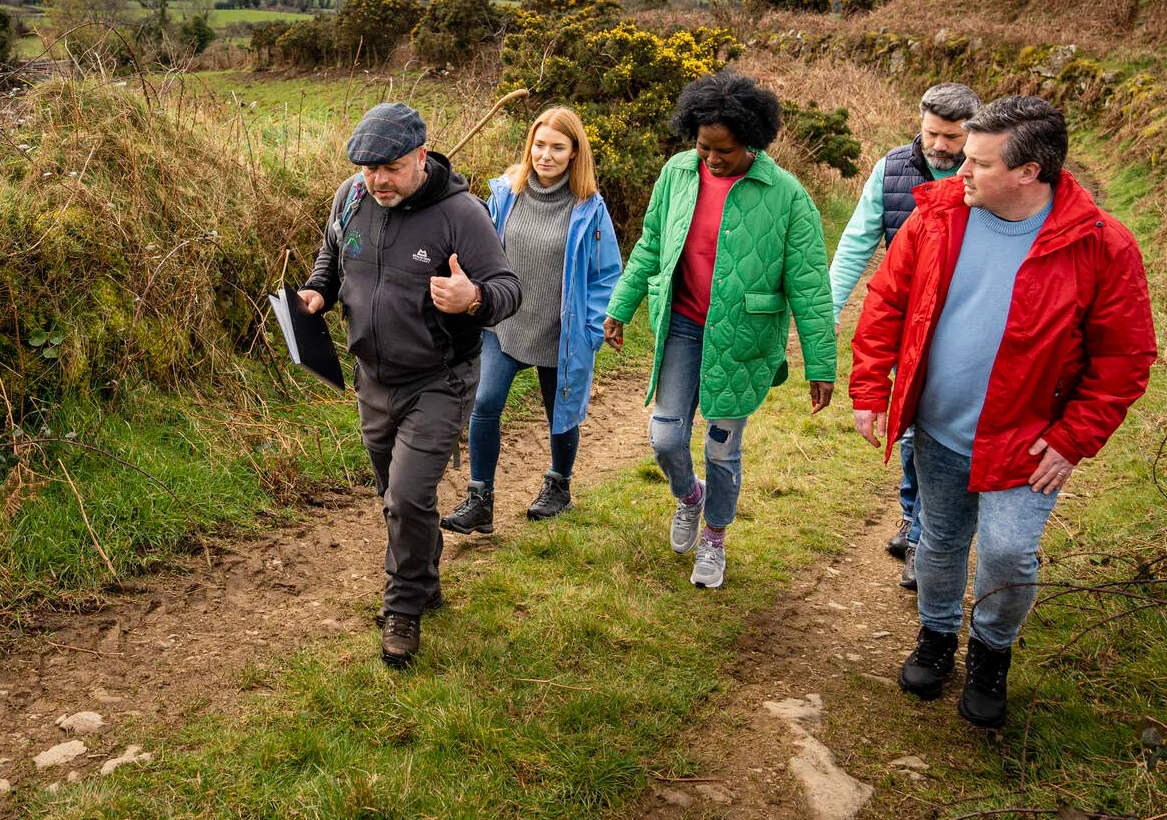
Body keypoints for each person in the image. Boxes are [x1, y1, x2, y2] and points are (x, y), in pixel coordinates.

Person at [850, 95, 1156, 728]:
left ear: (1028, 172)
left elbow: (1124, 358)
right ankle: (936, 636)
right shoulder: (937, 216)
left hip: (1029, 443)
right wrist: (871, 386)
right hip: (939, 429)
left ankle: (991, 653)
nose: (958, 170)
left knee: (1008, 554)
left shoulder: (1101, 244)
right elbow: (886, 302)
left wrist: (1073, 439)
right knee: (939, 540)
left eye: (979, 163)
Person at [298, 102, 522, 668]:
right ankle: (425, 579)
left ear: (421, 157)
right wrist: (318, 291)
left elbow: (508, 289)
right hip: (372, 379)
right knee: (396, 497)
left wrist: (473, 298)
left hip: (440, 380)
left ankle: (403, 609)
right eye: (368, 168)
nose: (378, 181)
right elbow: (332, 255)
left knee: (406, 496)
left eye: (391, 168)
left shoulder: (461, 214)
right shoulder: (351, 197)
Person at [603, 71, 836, 590]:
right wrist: (621, 306)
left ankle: (714, 538)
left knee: (721, 449)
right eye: (703, 146)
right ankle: (691, 497)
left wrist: (821, 364)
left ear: (751, 141)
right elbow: (650, 244)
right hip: (682, 327)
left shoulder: (787, 196)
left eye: (723, 151)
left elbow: (809, 285)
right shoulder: (677, 174)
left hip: (742, 340)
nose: (711, 159)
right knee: (665, 438)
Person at [828, 82, 981, 590]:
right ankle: (916, 520)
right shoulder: (892, 168)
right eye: (932, 133)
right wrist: (827, 311)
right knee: (912, 428)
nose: (940, 145)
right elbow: (856, 241)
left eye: (953, 137)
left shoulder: (985, 173)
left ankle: (921, 531)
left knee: (936, 432)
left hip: (962, 325)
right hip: (908, 322)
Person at [440, 107, 622, 533]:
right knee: (485, 403)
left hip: (560, 330)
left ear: (574, 152)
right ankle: (480, 500)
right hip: (504, 322)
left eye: (557, 147)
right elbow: (478, 247)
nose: (546, 155)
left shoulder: (589, 207)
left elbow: (605, 274)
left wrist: (591, 330)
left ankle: (559, 487)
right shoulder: (506, 193)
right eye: (539, 145)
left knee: (561, 410)